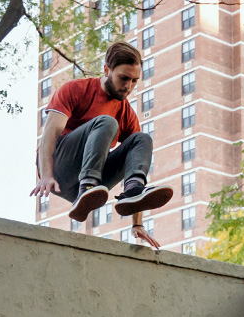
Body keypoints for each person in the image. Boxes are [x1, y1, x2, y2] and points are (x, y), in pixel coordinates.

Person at [30, 41, 173, 249]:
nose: (128, 87)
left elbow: (134, 160)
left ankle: (131, 191)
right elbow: (49, 134)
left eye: (134, 81)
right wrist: (46, 174)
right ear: (107, 70)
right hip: (60, 170)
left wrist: (137, 223)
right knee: (107, 122)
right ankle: (87, 185)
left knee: (141, 139)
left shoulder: (127, 113)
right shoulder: (75, 90)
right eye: (123, 78)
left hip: (94, 187)